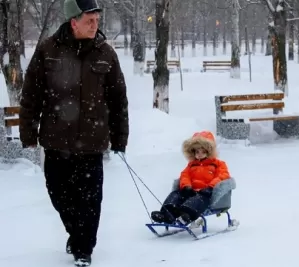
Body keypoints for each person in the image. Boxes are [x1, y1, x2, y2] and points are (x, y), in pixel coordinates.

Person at [19, 0, 129, 266]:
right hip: (56, 140)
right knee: (59, 194)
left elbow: (118, 99)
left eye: (97, 20)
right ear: (74, 22)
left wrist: (120, 138)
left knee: (90, 201)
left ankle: (84, 249)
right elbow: (31, 94)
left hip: (92, 141)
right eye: (89, 20)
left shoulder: (105, 53)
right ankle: (76, 233)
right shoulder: (48, 49)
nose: (95, 25)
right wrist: (28, 133)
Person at [151, 131, 231, 225]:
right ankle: (166, 213)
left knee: (198, 200)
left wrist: (210, 187)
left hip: (206, 193)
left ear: (209, 151)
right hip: (191, 191)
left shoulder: (217, 164)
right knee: (176, 194)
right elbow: (185, 175)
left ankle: (186, 215)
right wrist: (186, 186)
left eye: (203, 151)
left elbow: (222, 175)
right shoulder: (192, 165)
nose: (199, 154)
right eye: (197, 151)